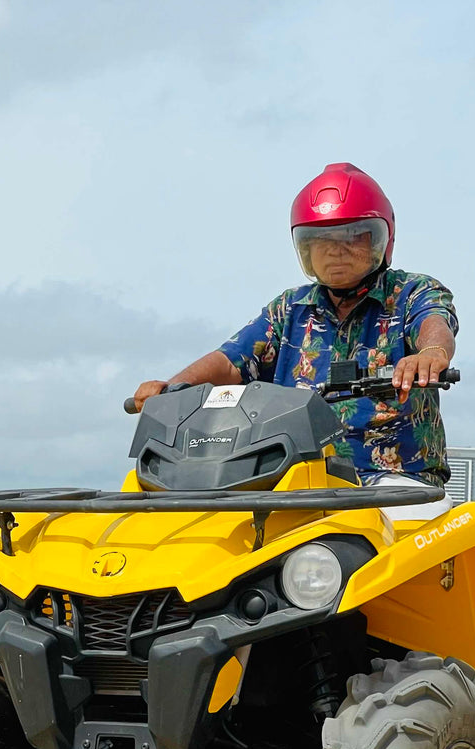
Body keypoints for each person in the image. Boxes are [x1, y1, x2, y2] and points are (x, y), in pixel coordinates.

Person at [130, 162, 457, 520]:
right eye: (322, 241)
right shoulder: (289, 309)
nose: (335, 251)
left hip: (394, 484)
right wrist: (174, 387)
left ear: (381, 240)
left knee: (416, 530)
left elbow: (434, 321)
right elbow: (231, 360)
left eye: (351, 237)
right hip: (294, 481)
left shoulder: (411, 293)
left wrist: (431, 353)